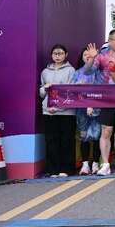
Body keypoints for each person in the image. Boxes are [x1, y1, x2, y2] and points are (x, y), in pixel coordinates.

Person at [84, 30, 115, 176]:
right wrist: (92, 59)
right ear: (110, 40)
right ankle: (105, 164)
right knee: (106, 131)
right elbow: (87, 71)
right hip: (106, 99)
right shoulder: (101, 56)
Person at [39, 44, 77, 177]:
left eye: (60, 53)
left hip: (66, 112)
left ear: (66, 55)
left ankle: (66, 169)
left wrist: (58, 108)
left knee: (66, 140)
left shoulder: (71, 71)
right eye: (55, 53)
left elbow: (71, 92)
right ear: (51, 55)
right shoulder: (45, 71)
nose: (57, 56)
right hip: (48, 111)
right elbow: (41, 93)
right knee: (51, 140)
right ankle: (53, 169)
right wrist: (44, 89)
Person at [71, 48, 102, 175]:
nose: (88, 57)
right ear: (82, 57)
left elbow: (101, 91)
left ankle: (95, 163)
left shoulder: (98, 72)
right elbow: (72, 91)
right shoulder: (77, 72)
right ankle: (85, 165)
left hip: (97, 108)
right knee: (83, 136)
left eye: (90, 55)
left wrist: (92, 104)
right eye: (85, 55)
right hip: (81, 109)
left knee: (96, 135)